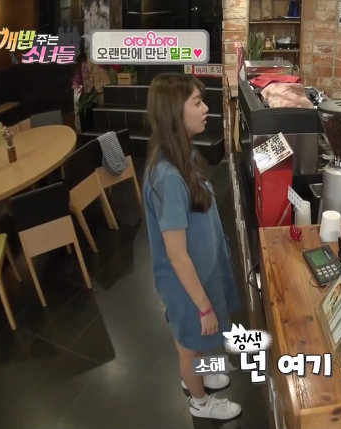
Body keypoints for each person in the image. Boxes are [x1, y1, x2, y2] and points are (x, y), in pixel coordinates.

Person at [144, 74, 242, 420]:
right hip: (186, 286)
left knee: (199, 344)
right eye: (197, 103)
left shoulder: (183, 156)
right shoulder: (169, 177)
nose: (206, 109)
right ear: (174, 111)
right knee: (189, 347)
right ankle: (200, 403)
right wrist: (203, 307)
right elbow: (175, 253)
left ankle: (199, 376)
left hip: (201, 273)